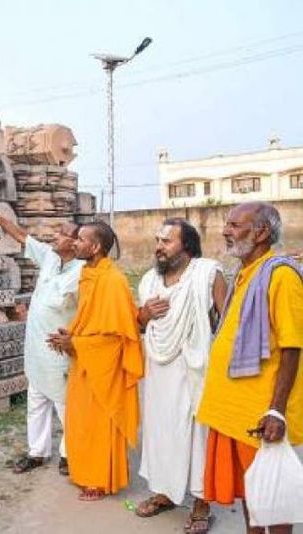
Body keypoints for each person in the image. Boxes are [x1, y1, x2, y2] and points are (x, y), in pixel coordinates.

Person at [196, 202, 303, 534]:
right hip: (232, 412)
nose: (226, 231)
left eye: (234, 225)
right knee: (251, 495)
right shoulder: (246, 273)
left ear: (261, 232)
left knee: (271, 497)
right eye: (226, 224)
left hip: (259, 414)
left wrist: (277, 411)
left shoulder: (281, 275)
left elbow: (292, 346)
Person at [0, 201, 82, 475]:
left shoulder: (83, 272)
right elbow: (21, 235)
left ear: (76, 243)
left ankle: (70, 454)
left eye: (63, 234)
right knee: (37, 402)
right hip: (36, 348)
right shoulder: (50, 257)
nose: (56, 237)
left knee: (65, 405)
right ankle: (37, 452)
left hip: (60, 349)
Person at [134, 219, 226, 534]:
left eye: (167, 241)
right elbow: (139, 326)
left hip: (196, 370)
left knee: (197, 436)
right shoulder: (148, 281)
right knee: (160, 433)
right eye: (158, 240)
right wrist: (144, 315)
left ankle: (201, 504)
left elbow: (225, 324)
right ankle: (164, 493)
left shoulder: (208, 273)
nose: (159, 246)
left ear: (186, 245)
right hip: (158, 372)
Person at [48, 220, 144, 501]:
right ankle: (85, 472)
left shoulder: (113, 281)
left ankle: (100, 479)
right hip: (85, 361)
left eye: (81, 239)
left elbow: (117, 337)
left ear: (96, 246)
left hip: (103, 367)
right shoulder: (89, 275)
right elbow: (90, 319)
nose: (75, 242)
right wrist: (71, 334)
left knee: (98, 424)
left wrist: (76, 343)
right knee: (79, 422)